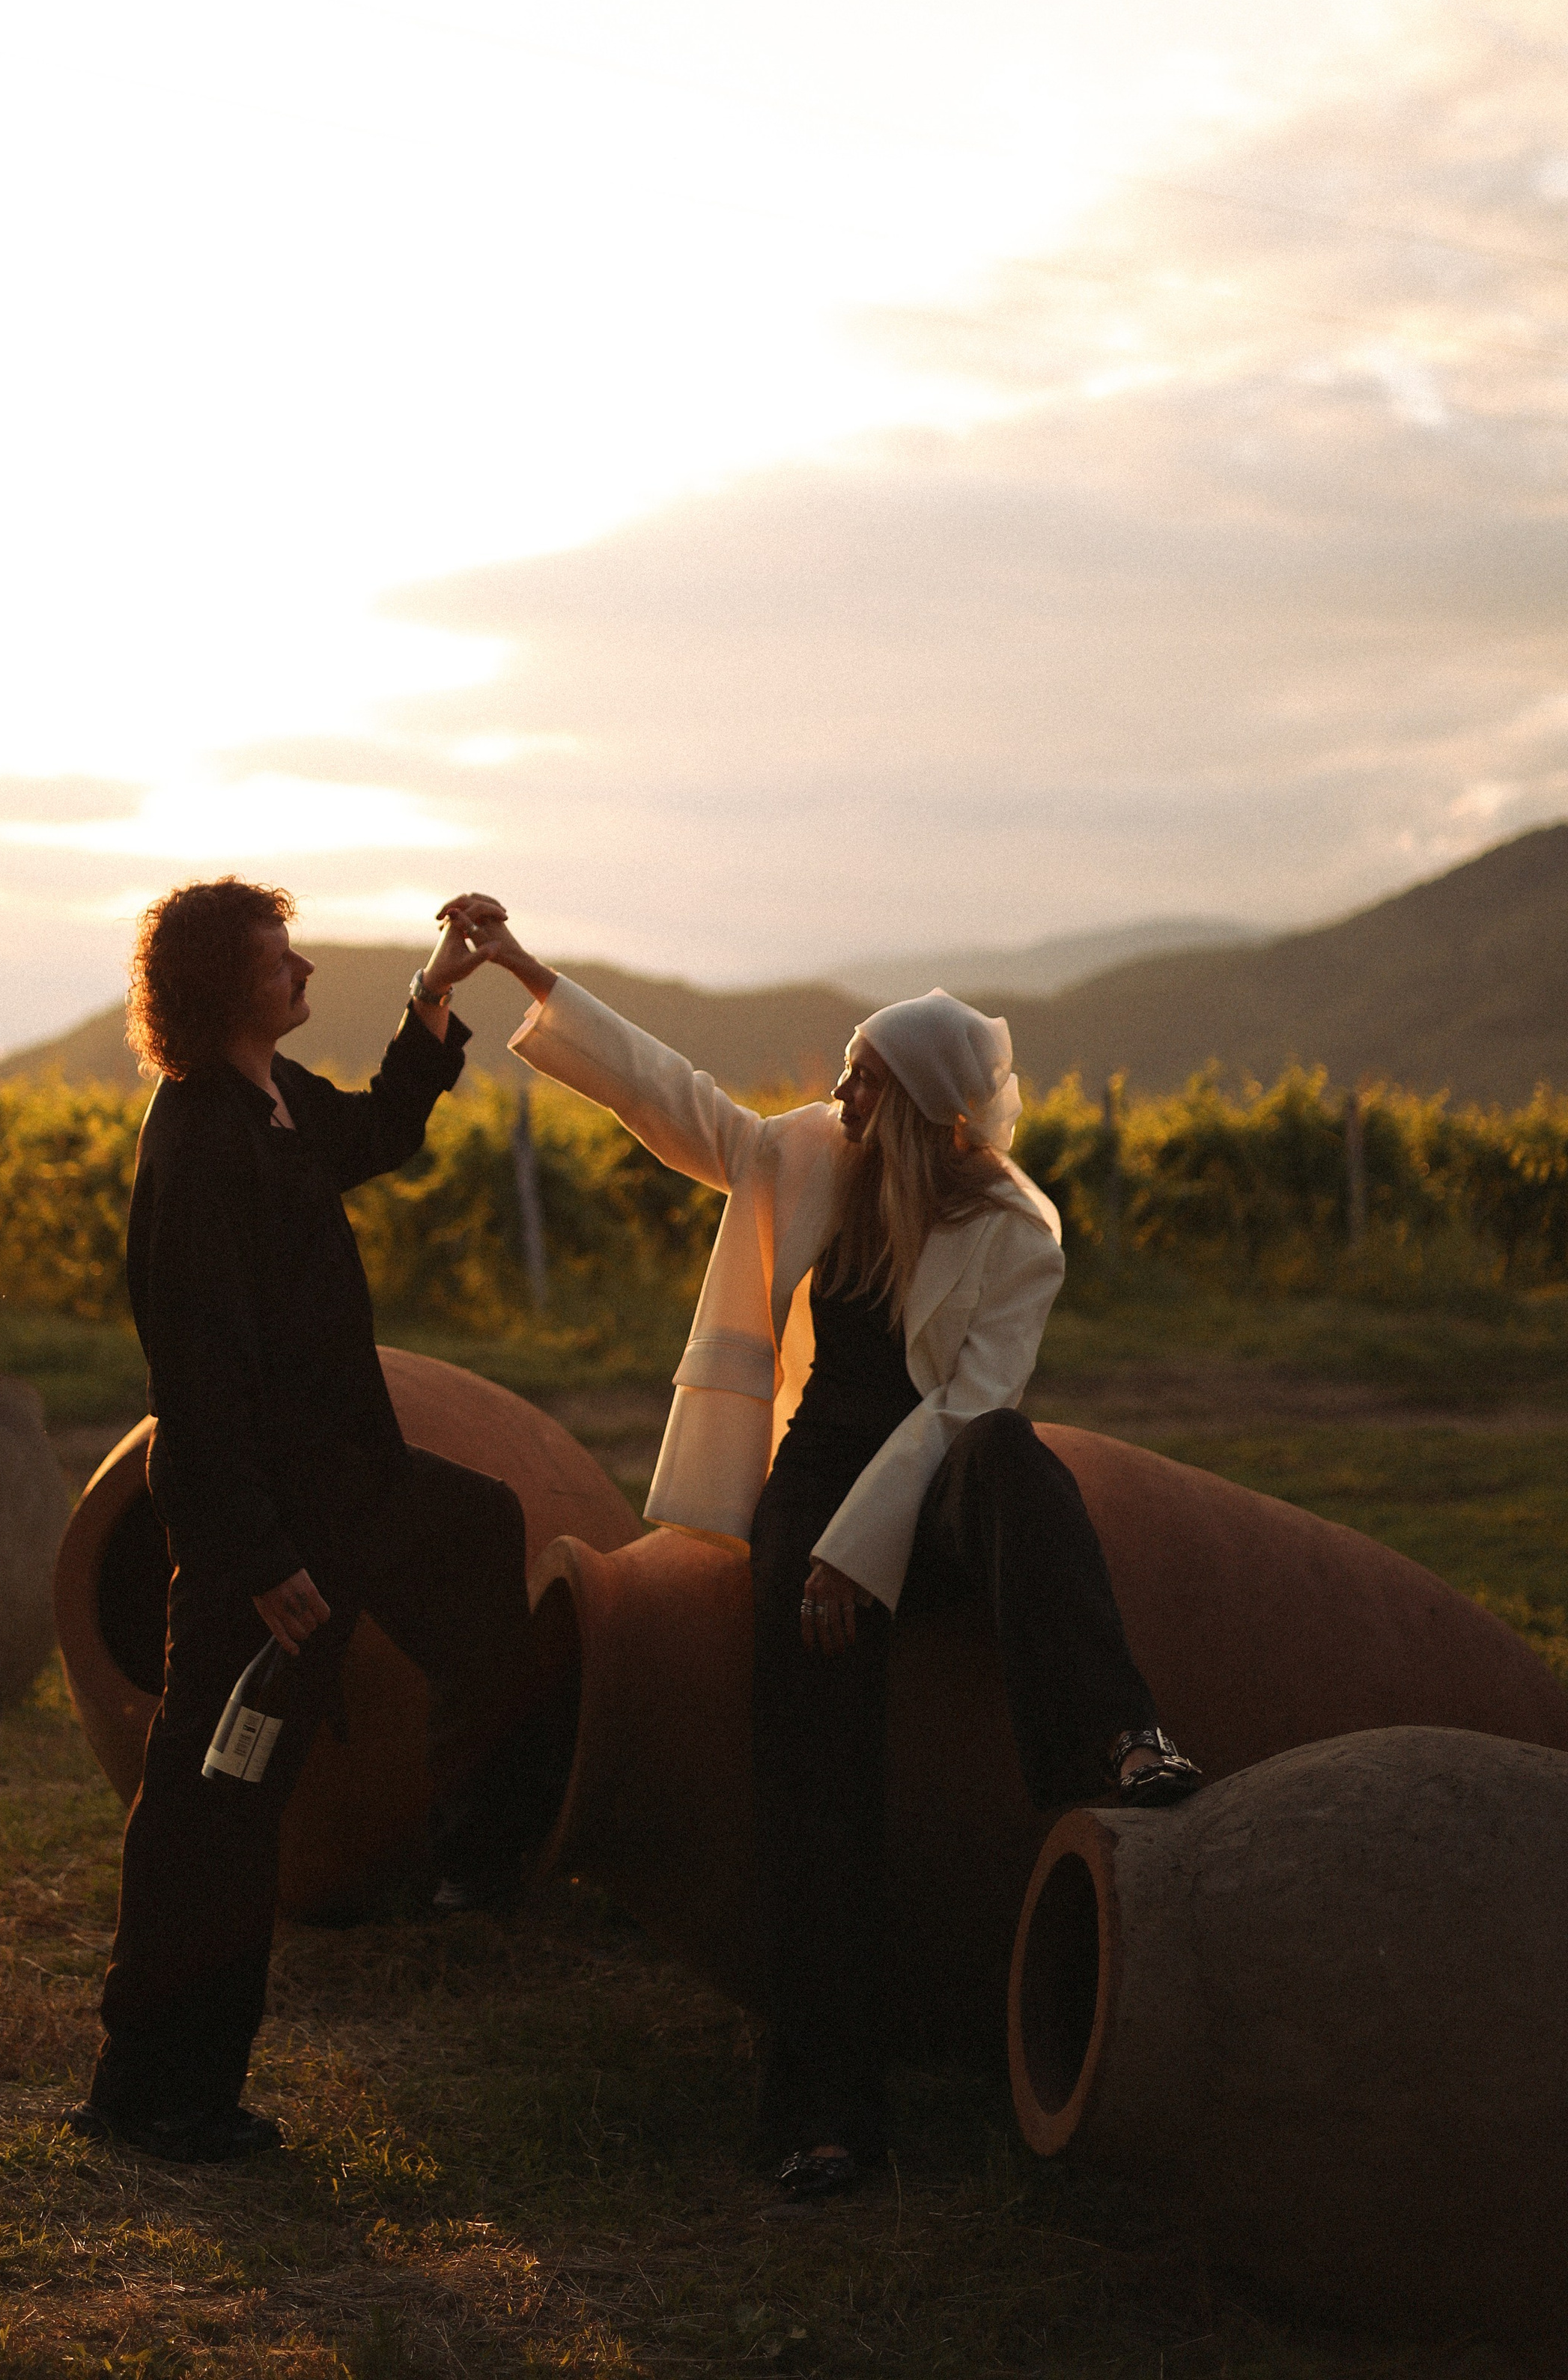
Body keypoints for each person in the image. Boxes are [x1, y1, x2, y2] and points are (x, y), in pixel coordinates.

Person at [466, 902, 1198, 2200]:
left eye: (862, 1076)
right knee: (813, 1779)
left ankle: (1119, 1739)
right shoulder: (807, 1158)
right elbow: (674, 1097)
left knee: (1017, 1461)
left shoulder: (1019, 1231)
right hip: (813, 1473)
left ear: (920, 1104)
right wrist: (531, 973)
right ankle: (828, 2113)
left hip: (935, 1467)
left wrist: (863, 1556)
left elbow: (968, 1404)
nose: (838, 1089)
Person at [67, 878, 550, 2164]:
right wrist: (261, 1558)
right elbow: (194, 1382)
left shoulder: (275, 1110)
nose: (305, 975)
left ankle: (472, 1850)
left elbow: (388, 1126)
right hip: (264, 1525)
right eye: (285, 960)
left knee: (484, 1536)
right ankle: (158, 2088)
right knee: (213, 1802)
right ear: (227, 984)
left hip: (355, 1486)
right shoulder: (198, 1141)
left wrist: (438, 993)